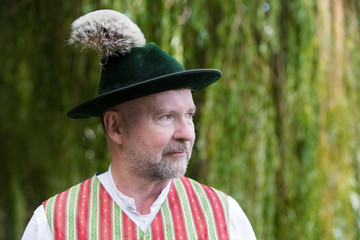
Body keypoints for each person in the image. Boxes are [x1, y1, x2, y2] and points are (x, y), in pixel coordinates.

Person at [22, 9, 256, 240]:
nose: (186, 133)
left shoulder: (225, 217)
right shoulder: (53, 224)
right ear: (115, 127)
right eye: (166, 116)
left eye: (189, 116)